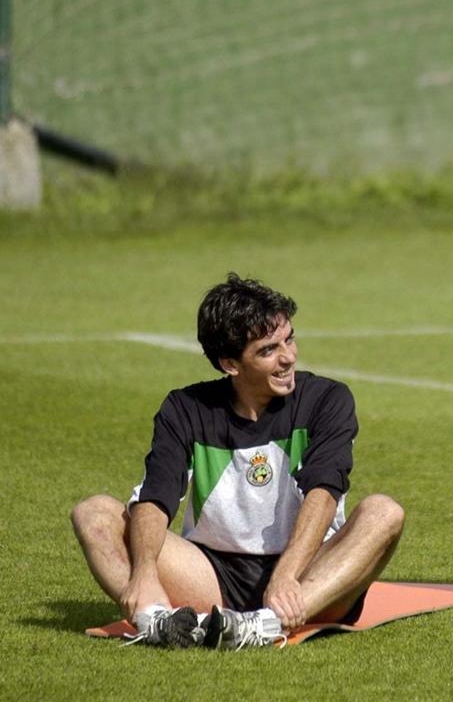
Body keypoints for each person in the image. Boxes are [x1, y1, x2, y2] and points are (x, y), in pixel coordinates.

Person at [71, 273, 406, 649]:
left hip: (310, 574)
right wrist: (144, 572)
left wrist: (287, 575)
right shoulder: (185, 408)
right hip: (211, 575)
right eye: (268, 350)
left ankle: (263, 626)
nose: (288, 357)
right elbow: (157, 495)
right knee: (94, 513)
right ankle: (156, 620)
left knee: (384, 512)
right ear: (230, 364)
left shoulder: (327, 399)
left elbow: (324, 490)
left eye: (289, 339)